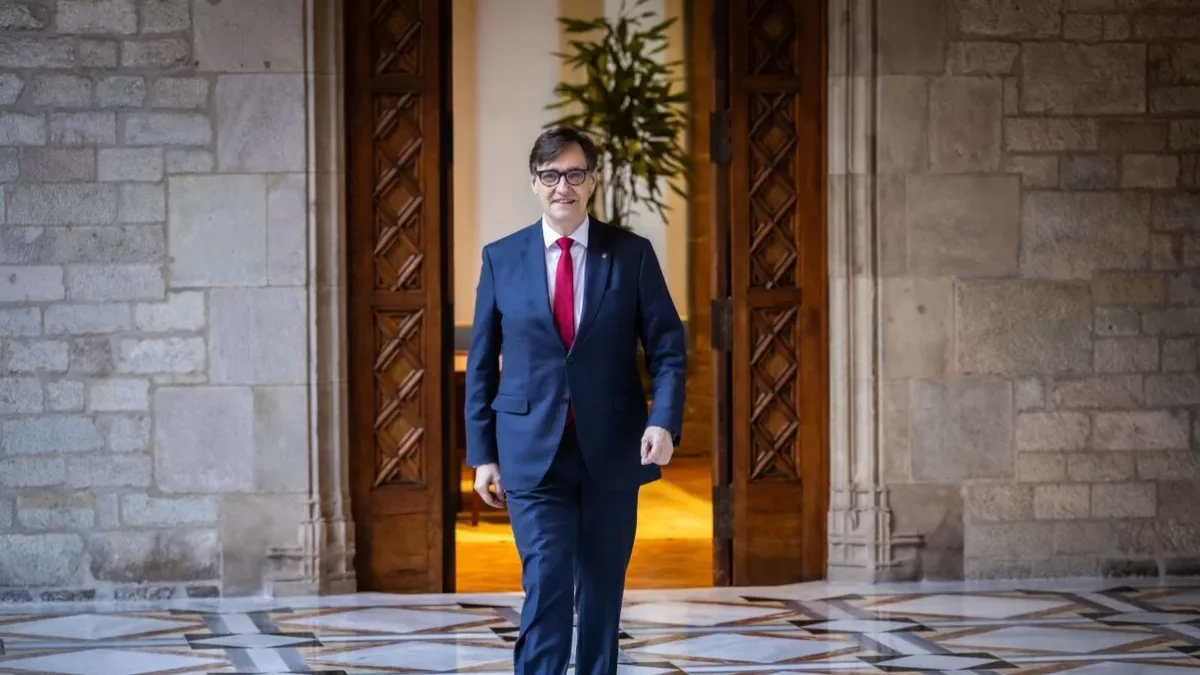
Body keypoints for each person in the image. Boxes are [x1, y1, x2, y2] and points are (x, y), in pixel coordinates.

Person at [463, 126, 687, 675]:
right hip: (530, 452)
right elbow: (481, 362)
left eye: (574, 173)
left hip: (611, 451)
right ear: (534, 184)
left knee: (602, 592)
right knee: (546, 581)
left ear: (592, 180)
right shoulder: (501, 258)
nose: (563, 185)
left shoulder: (631, 255)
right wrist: (483, 455)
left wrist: (664, 421)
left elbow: (668, 348)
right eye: (550, 175)